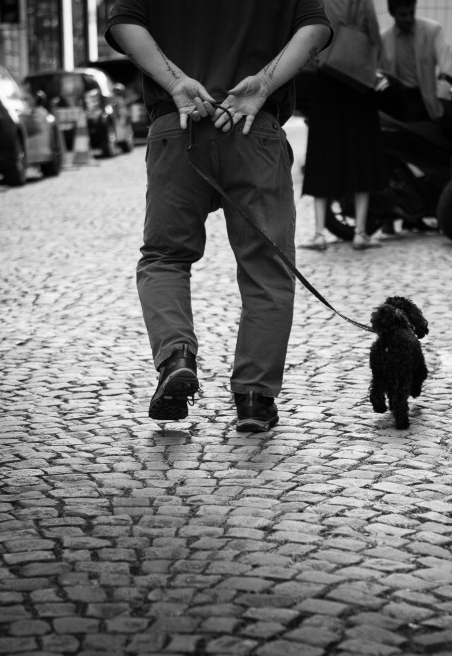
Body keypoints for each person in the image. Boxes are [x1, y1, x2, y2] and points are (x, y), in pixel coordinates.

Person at [106, 1, 332, 432]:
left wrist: (176, 83)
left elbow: (124, 24)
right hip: (253, 128)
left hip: (180, 124)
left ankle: (176, 356)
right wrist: (262, 86)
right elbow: (315, 31)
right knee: (267, 268)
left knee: (165, 258)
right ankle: (253, 398)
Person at [300, 0, 388, 252]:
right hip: (359, 83)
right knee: (362, 154)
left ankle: (319, 234)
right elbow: (373, 32)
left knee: (322, 153)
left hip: (328, 78)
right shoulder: (362, 2)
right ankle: (360, 232)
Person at [379, 0, 450, 123]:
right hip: (401, 99)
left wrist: (442, 96)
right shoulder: (384, 39)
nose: (408, 18)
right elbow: (381, 73)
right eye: (403, 15)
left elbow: (446, 67)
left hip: (428, 97)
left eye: (411, 13)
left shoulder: (432, 30)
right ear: (392, 13)